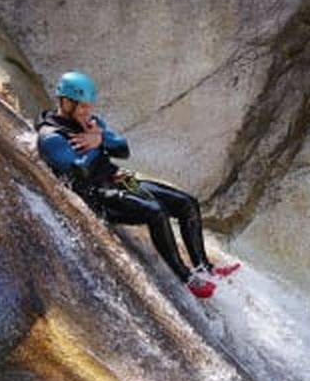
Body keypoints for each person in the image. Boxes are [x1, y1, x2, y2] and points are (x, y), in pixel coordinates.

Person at [35, 71, 239, 298]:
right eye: (82, 107)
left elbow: (123, 149)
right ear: (65, 102)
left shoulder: (91, 123)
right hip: (96, 194)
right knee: (155, 211)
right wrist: (95, 145)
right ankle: (187, 277)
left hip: (118, 179)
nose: (87, 112)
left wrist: (101, 139)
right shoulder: (51, 137)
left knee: (186, 203)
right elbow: (80, 172)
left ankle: (205, 268)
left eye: (89, 106)